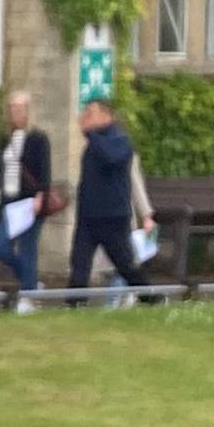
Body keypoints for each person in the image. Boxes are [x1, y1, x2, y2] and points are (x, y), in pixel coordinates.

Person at [69, 94, 161, 306]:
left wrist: (89, 134)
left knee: (125, 264)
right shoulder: (93, 143)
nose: (86, 118)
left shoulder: (119, 140)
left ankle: (150, 298)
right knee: (80, 262)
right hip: (88, 216)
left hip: (112, 216)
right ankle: (75, 303)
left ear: (106, 115)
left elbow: (111, 157)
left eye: (91, 113)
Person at [0, 88, 58, 312]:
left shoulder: (38, 139)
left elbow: (45, 171)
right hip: (8, 203)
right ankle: (30, 281)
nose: (15, 112)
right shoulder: (5, 139)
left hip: (30, 203)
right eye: (12, 108)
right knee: (0, 247)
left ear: (29, 111)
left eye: (20, 108)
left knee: (27, 249)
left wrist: (40, 196)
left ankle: (28, 296)